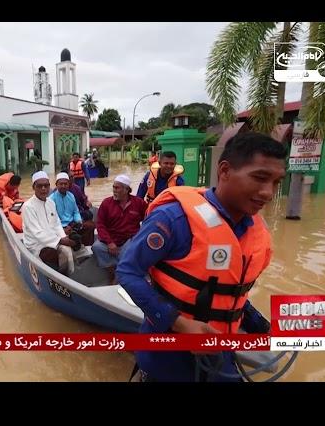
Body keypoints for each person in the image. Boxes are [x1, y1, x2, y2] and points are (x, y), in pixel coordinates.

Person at [117, 132, 287, 382]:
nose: (268, 193)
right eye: (260, 178)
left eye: (276, 182)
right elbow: (127, 271)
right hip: (167, 356)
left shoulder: (254, 230)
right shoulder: (173, 220)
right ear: (225, 171)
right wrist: (179, 324)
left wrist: (260, 325)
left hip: (219, 354)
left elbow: (226, 288)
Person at [92, 174, 147, 283]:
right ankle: (114, 272)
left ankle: (118, 277)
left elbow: (148, 219)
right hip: (111, 240)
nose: (114, 190)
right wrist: (109, 242)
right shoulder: (106, 203)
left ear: (126, 189)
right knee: (96, 247)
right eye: (113, 187)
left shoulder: (139, 203)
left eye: (117, 188)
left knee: (128, 251)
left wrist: (140, 236)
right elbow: (100, 225)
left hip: (129, 239)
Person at [22, 171, 78, 276]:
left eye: (46, 185)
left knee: (68, 251)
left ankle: (68, 276)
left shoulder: (50, 203)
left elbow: (57, 224)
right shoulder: (28, 206)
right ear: (33, 187)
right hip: (36, 244)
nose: (43, 189)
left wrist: (63, 237)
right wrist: (60, 240)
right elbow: (37, 233)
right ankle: (56, 277)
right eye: (40, 186)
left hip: (53, 239)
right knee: (52, 254)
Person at [49, 172, 95, 247]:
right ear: (56, 184)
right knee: (73, 236)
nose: (63, 186)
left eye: (65, 184)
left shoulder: (71, 196)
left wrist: (79, 221)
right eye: (61, 184)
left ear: (69, 184)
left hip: (72, 224)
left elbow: (75, 212)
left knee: (90, 225)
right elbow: (52, 220)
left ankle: (87, 248)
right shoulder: (51, 199)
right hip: (61, 227)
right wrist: (62, 228)